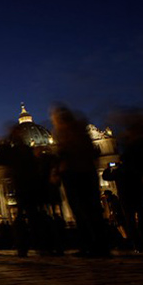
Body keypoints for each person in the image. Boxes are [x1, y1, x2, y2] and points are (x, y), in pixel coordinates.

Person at [51, 106, 109, 257]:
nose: (53, 121)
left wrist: (59, 168)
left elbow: (65, 155)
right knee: (91, 210)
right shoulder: (80, 131)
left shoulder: (67, 134)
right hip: (86, 172)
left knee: (82, 210)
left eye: (55, 118)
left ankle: (91, 245)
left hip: (76, 175)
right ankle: (98, 245)